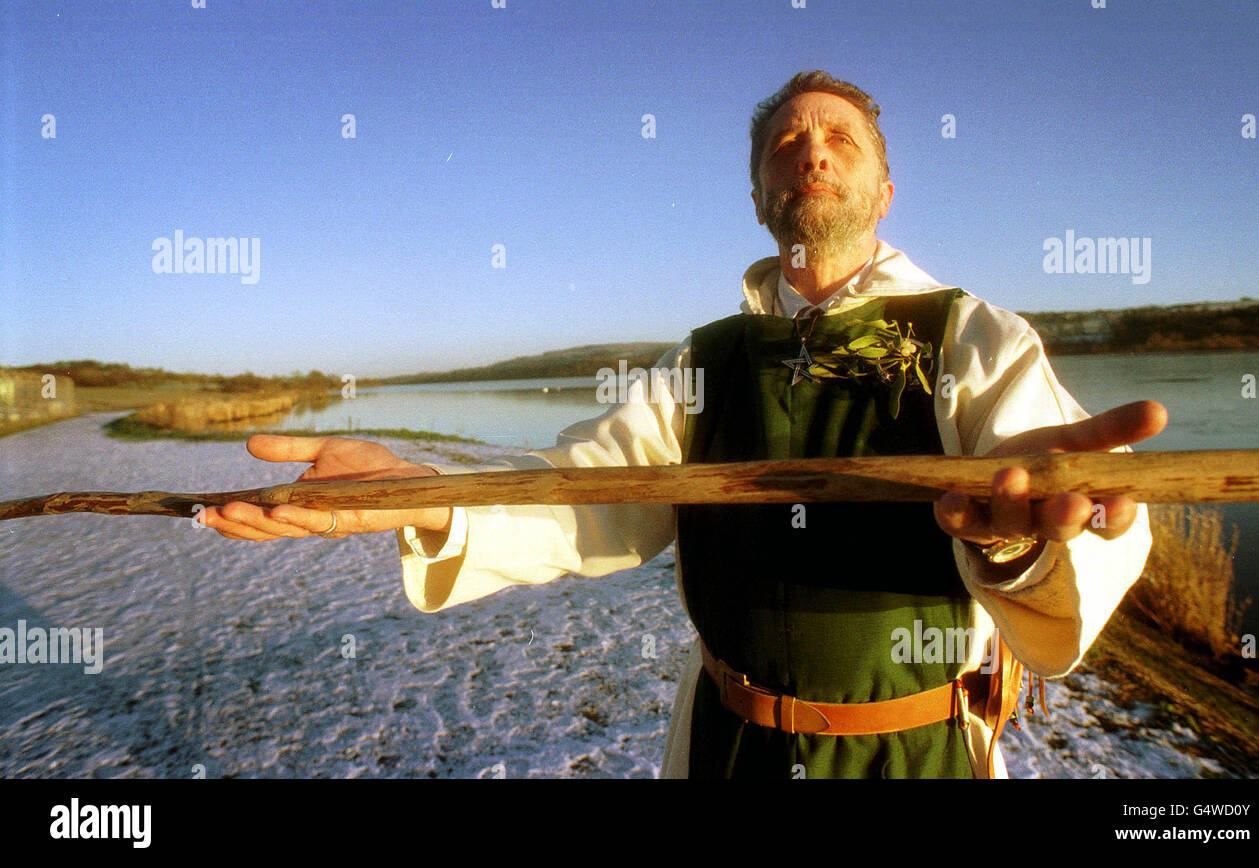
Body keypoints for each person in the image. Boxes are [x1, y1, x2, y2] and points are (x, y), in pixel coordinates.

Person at [204, 70, 1166, 778]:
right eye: (786, 144)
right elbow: (593, 497)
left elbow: (1081, 519)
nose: (812, 149)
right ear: (759, 196)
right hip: (727, 746)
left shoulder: (969, 334)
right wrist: (430, 502)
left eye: (841, 138)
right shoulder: (704, 361)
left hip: (913, 756)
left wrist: (1019, 545)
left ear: (883, 191)